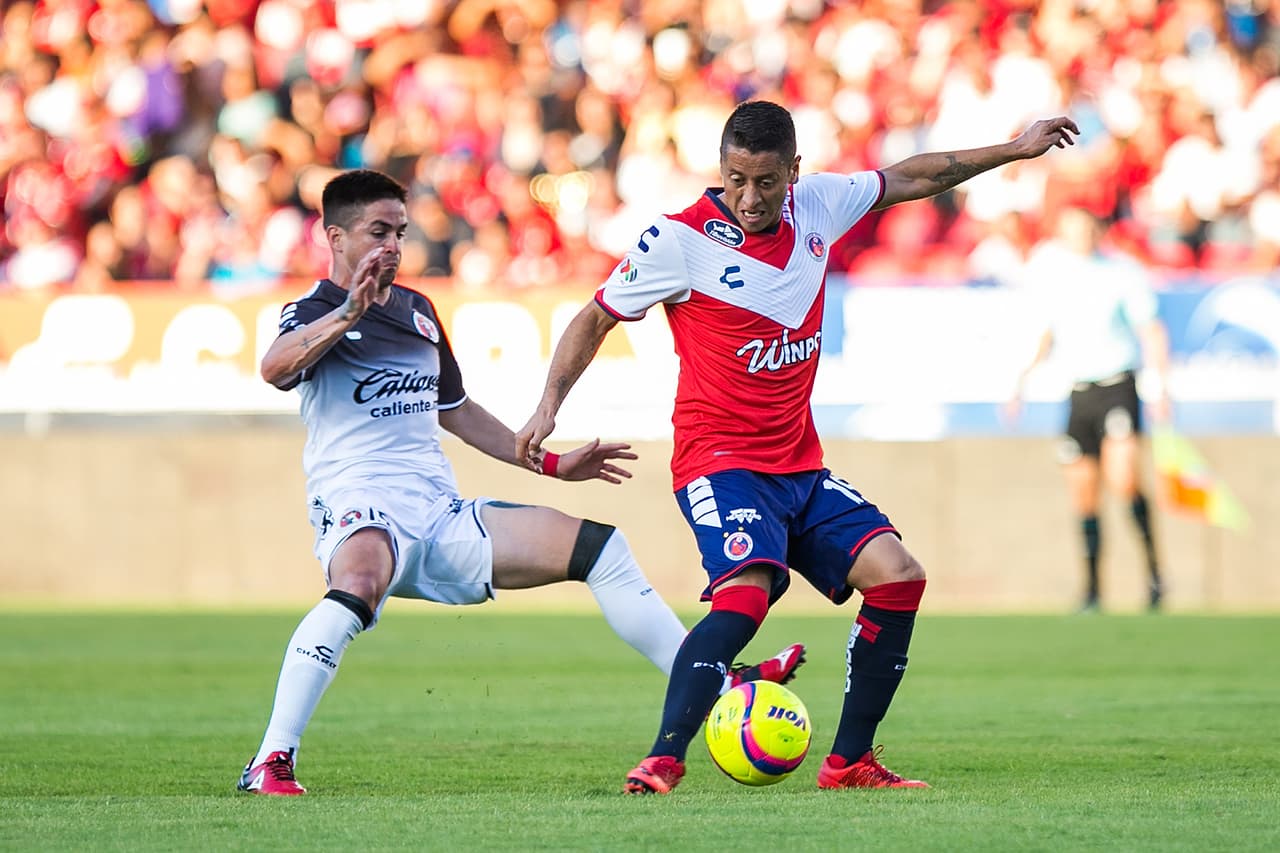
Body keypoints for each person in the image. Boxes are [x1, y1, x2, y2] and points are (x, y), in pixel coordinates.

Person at [517, 101, 1079, 794]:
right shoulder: (677, 240)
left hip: (800, 466)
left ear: (795, 173)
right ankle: (665, 754)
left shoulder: (819, 205)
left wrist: (1016, 148)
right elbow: (594, 317)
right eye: (735, 180)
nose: (749, 198)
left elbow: (911, 177)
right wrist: (548, 407)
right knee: (746, 597)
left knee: (899, 576)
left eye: (766, 183)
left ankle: (849, 762)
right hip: (720, 464)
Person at [236, 169, 804, 796]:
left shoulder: (418, 313)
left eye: (399, 232)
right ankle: (270, 760)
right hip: (359, 505)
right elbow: (276, 367)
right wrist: (347, 314)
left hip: (440, 513)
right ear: (334, 236)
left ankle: (719, 685)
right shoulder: (314, 310)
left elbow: (456, 410)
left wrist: (553, 463)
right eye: (377, 232)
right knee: (361, 581)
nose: (392, 246)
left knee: (600, 549)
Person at [1006, 206, 1170, 612]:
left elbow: (1150, 329)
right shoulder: (1055, 278)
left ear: (1099, 230)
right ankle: (1093, 590)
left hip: (1117, 386)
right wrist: (1020, 383)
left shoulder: (1122, 272)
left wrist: (1161, 386)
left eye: (1088, 228)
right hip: (1078, 394)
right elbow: (1047, 335)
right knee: (1084, 496)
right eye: (1072, 229)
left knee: (1123, 479)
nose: (1082, 236)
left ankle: (1153, 575)